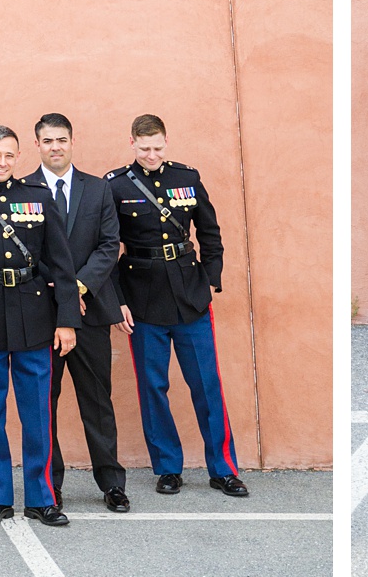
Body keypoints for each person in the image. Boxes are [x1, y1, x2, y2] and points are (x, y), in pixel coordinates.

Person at [109, 116, 248, 498]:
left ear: (166, 142)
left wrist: (211, 277)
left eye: (157, 148)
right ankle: (168, 467)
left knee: (207, 385)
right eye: (144, 148)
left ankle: (223, 468)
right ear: (132, 143)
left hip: (190, 296)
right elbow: (107, 247)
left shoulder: (187, 178)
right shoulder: (117, 185)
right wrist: (118, 300)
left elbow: (210, 231)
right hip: (142, 299)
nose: (151, 155)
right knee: (153, 387)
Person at [0, 126, 80, 528]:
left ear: (19, 156)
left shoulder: (39, 198)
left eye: (10, 155)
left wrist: (66, 321)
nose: (3, 163)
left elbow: (62, 266)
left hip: (34, 316)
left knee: (36, 413)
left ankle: (42, 496)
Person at [31, 112, 127, 512]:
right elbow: (27, 252)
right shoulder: (24, 190)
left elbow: (109, 245)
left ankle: (111, 482)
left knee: (97, 401)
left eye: (62, 140)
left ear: (72, 142)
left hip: (90, 314)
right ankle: (50, 486)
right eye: (49, 140)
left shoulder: (97, 189)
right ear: (37, 144)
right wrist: (62, 292)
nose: (56, 147)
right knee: (43, 403)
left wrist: (78, 288)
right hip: (41, 315)